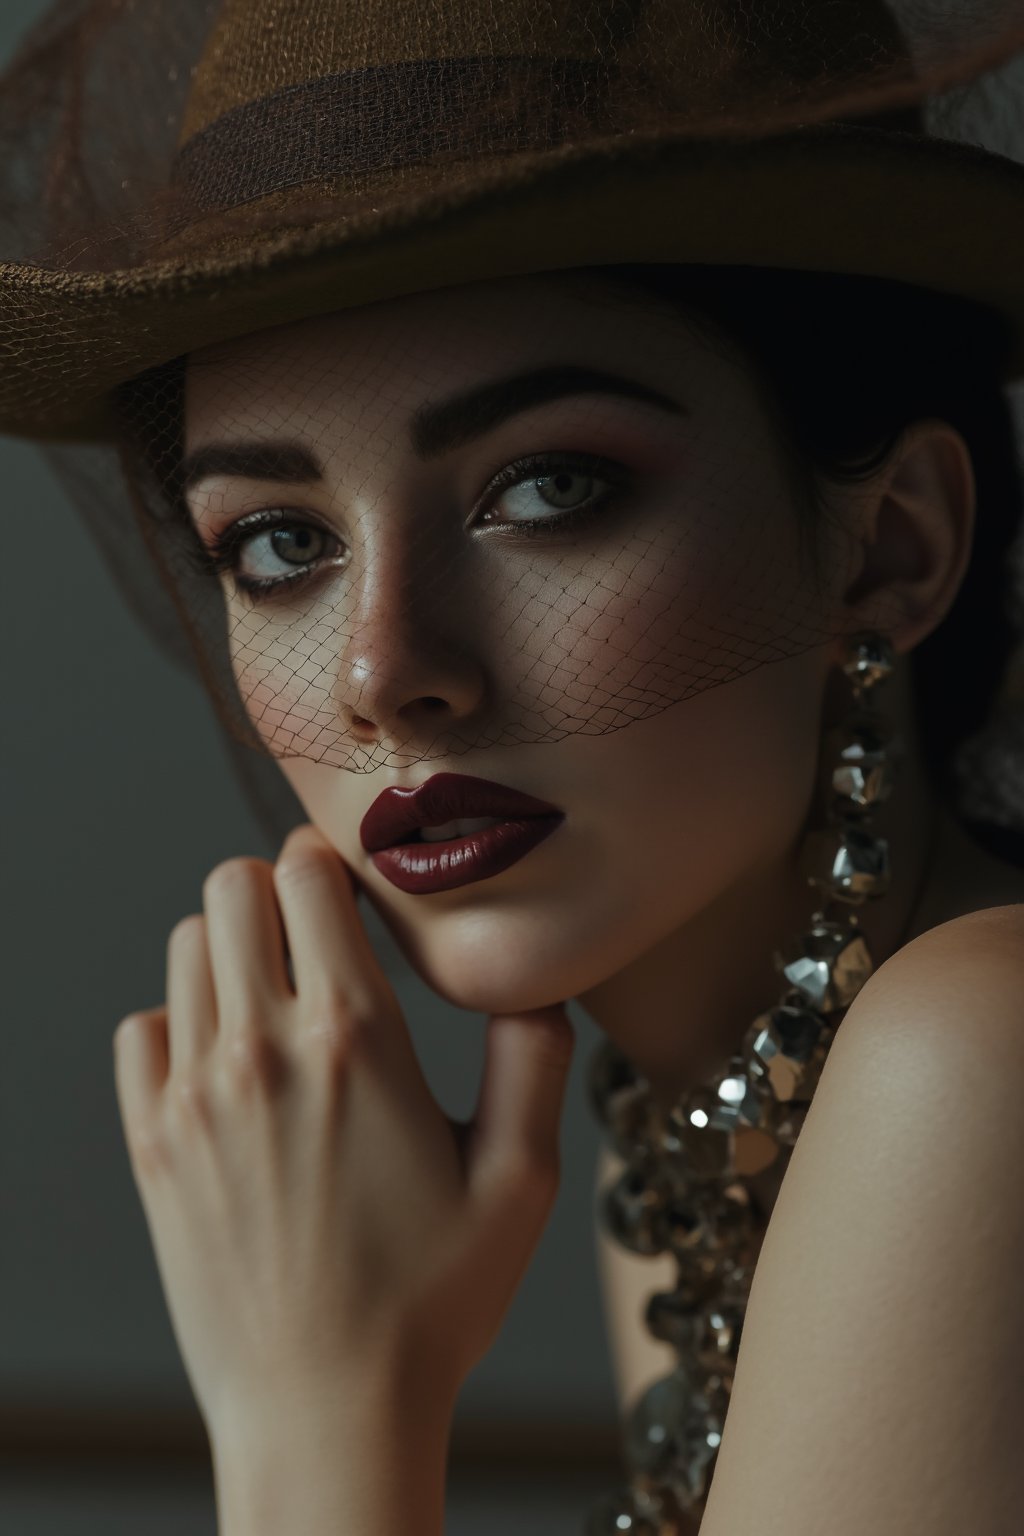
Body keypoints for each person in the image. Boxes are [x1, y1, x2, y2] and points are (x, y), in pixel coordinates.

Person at [2, 2, 1023, 1533]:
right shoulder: (690, 1144)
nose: (383, 669)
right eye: (282, 543)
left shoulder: (976, 1057)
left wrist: (320, 1410)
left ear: (890, 544)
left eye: (547, 487)